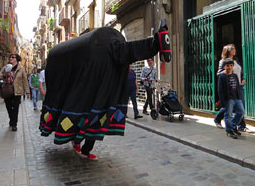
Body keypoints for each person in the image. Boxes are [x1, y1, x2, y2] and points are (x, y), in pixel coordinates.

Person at [39, 22, 171, 160]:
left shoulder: (113, 51)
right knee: (88, 119)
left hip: (103, 93)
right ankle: (79, 142)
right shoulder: (101, 47)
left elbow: (129, 52)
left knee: (96, 120)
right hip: (86, 91)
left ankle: (84, 147)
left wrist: (155, 44)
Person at [214, 44, 246, 130]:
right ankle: (218, 119)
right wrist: (227, 70)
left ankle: (240, 125)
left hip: (238, 86)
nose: (234, 50)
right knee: (228, 106)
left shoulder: (236, 60)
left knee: (241, 106)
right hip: (229, 87)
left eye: (234, 48)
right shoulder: (223, 61)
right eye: (232, 49)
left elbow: (240, 71)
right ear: (227, 51)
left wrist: (243, 79)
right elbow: (219, 73)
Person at [0, 54, 30, 131]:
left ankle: (14, 124)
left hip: (17, 91)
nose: (11, 58)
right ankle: (11, 120)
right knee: (9, 107)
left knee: (15, 108)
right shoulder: (5, 67)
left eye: (13, 57)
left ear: (17, 59)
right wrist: (4, 74)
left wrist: (28, 92)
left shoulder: (21, 69)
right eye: (10, 57)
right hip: (7, 90)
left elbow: (25, 81)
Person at [218, 58, 244, 139]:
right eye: (227, 66)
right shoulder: (222, 76)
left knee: (241, 112)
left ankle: (232, 126)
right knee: (228, 115)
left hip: (237, 98)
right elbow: (220, 90)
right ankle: (229, 131)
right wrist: (222, 101)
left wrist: (239, 96)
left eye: (231, 65)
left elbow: (237, 87)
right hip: (228, 99)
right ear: (224, 67)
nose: (229, 67)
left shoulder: (235, 75)